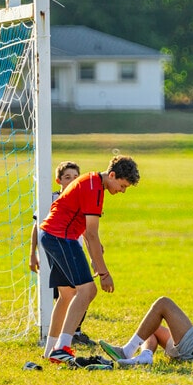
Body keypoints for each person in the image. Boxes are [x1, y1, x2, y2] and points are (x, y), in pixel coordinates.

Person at [39, 155, 140, 363]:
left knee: (67, 294)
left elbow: (85, 228)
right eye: (122, 185)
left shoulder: (94, 182)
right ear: (112, 175)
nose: (122, 191)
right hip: (60, 237)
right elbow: (92, 234)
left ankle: (50, 350)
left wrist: (95, 258)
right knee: (88, 290)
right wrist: (104, 273)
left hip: (51, 235)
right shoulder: (94, 187)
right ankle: (63, 347)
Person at [29, 161, 95, 346]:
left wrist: (93, 255)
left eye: (76, 177)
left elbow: (87, 230)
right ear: (58, 180)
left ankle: (74, 333)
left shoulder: (82, 198)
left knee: (78, 291)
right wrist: (32, 254)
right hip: (55, 246)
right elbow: (38, 225)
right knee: (72, 291)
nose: (72, 181)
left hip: (74, 247)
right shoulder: (50, 199)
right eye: (67, 177)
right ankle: (58, 339)